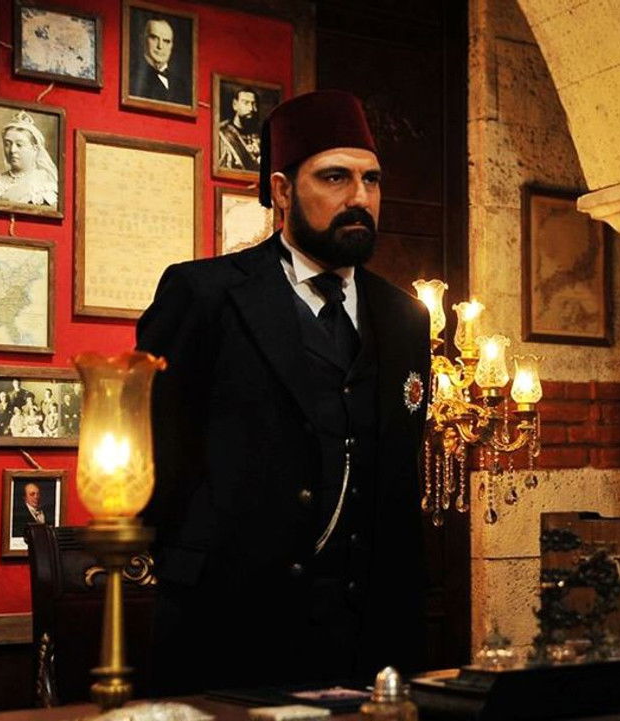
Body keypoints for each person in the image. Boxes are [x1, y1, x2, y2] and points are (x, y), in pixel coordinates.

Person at [137, 90, 431, 694]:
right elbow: (155, 452)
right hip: (230, 629)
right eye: (335, 177)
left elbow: (400, 482)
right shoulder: (205, 296)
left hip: (371, 640)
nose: (360, 198)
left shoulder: (405, 317)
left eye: (372, 180)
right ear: (281, 191)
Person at [0, 110, 59, 209]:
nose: (12, 150)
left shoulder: (46, 182)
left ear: (35, 149)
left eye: (19, 145)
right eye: (7, 144)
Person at [128, 15, 189, 105]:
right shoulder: (132, 77)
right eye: (154, 38)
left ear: (171, 45)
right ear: (142, 39)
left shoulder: (182, 86)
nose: (160, 46)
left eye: (166, 41)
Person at [217, 87, 261, 172]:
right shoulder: (222, 133)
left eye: (253, 104)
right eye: (246, 103)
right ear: (235, 105)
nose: (251, 108)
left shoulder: (260, 134)